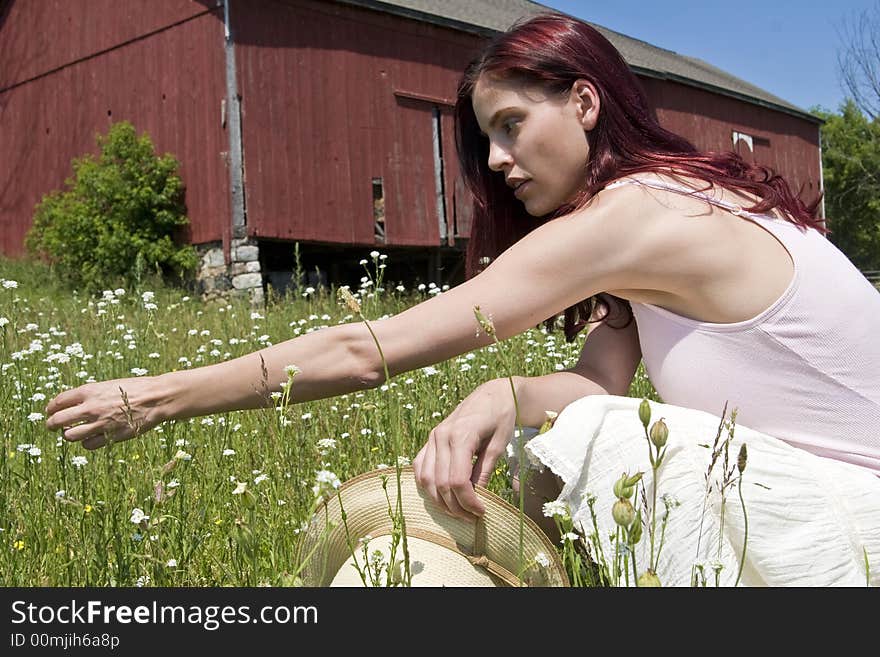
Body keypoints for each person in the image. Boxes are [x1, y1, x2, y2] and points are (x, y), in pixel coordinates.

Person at [46, 14, 879, 547]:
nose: (497, 161)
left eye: (512, 125)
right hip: (835, 503)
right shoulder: (669, 205)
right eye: (487, 138)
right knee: (570, 427)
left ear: (584, 102)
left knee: (598, 443)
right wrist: (506, 392)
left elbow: (368, 349)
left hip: (858, 525)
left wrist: (157, 396)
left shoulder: (631, 216)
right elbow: (596, 377)